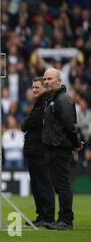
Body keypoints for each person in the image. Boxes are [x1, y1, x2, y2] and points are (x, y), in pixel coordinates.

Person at [42, 68, 84, 230]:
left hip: (59, 147)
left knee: (63, 185)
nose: (46, 82)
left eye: (50, 79)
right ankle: (62, 218)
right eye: (45, 79)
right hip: (53, 147)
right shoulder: (52, 98)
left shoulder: (63, 100)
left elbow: (69, 126)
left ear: (59, 81)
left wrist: (75, 143)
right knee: (59, 185)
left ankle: (66, 220)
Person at [21, 76, 55, 227]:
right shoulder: (40, 102)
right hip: (34, 149)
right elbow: (30, 122)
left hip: (40, 148)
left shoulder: (45, 103)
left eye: (37, 87)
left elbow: (29, 122)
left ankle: (47, 216)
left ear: (45, 88)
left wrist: (26, 123)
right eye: (33, 87)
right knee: (36, 184)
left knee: (43, 183)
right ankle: (41, 214)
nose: (34, 90)